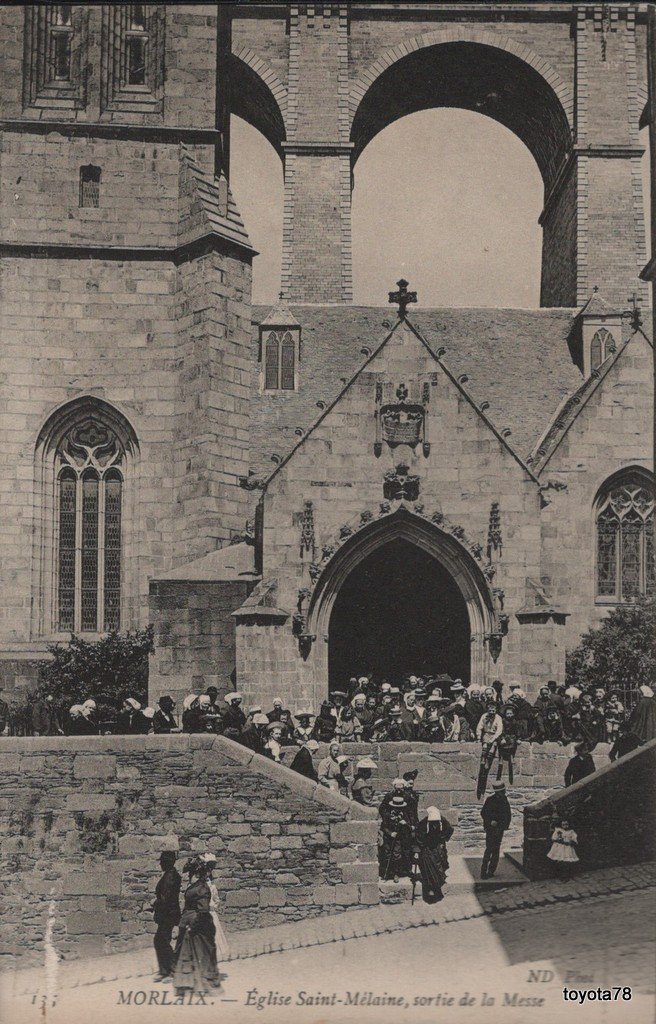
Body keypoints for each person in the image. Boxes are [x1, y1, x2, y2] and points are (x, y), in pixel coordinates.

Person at [172, 855, 221, 995]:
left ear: (196, 873)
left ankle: (201, 984)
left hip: (199, 925)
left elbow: (203, 910)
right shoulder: (195, 886)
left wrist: (192, 925)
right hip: (190, 922)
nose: (188, 876)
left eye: (191, 873)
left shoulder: (201, 888)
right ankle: (189, 985)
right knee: (187, 953)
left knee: (201, 953)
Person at [414, 806, 454, 903]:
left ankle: (437, 886)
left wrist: (441, 840)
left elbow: (449, 830)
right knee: (429, 869)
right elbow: (418, 836)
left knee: (439, 867)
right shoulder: (423, 824)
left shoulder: (442, 821)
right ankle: (430, 891)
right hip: (427, 849)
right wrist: (418, 850)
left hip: (438, 848)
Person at [153, 850, 181, 982]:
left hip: (168, 915)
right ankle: (165, 970)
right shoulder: (170, 875)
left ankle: (173, 971)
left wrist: (154, 903)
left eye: (162, 861)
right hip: (168, 914)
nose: (160, 864)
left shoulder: (170, 877)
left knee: (162, 941)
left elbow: (166, 899)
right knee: (161, 941)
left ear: (166, 862)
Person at [378, 794, 413, 883]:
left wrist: (405, 824)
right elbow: (384, 826)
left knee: (397, 856)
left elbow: (410, 828)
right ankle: (386, 873)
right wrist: (390, 833)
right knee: (387, 855)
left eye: (400, 807)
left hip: (399, 839)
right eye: (396, 807)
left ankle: (396, 874)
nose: (398, 809)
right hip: (388, 838)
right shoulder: (387, 814)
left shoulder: (405, 815)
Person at [480, 781, 511, 879]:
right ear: (499, 792)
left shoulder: (504, 801)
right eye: (503, 791)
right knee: (489, 849)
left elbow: (507, 815)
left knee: (496, 850)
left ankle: (491, 871)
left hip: (499, 830)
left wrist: (502, 826)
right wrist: (490, 822)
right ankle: (483, 871)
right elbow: (483, 813)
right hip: (490, 829)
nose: (504, 792)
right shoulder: (490, 800)